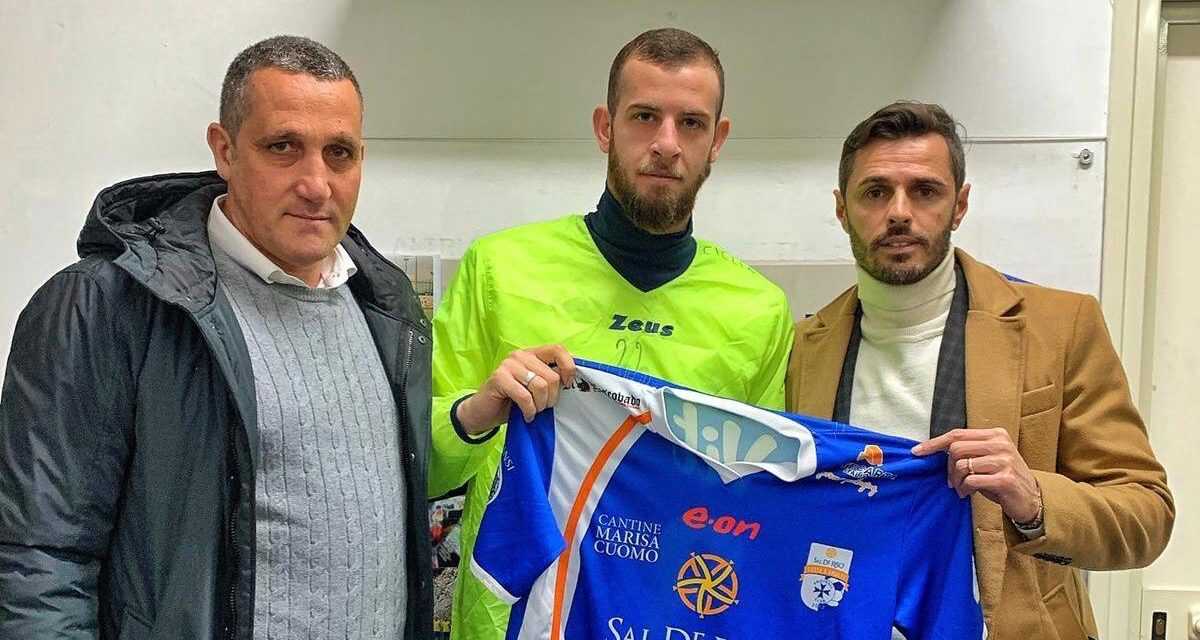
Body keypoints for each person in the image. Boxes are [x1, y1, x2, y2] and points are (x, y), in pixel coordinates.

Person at [0, 35, 433, 639]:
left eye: (339, 153)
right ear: (224, 150)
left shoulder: (385, 307)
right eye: (283, 147)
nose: (317, 183)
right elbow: (40, 560)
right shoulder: (107, 304)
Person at [430, 28, 794, 640]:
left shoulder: (759, 310)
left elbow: (760, 499)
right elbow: (422, 465)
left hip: (668, 617)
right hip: (510, 619)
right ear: (605, 127)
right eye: (644, 117)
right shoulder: (498, 269)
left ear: (717, 140)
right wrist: (477, 412)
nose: (666, 144)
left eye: (691, 123)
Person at [785, 100, 1174, 638]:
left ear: (960, 205)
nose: (899, 212)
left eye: (925, 191)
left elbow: (1147, 514)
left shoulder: (1061, 326)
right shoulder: (806, 346)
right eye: (875, 192)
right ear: (841, 208)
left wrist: (1034, 498)